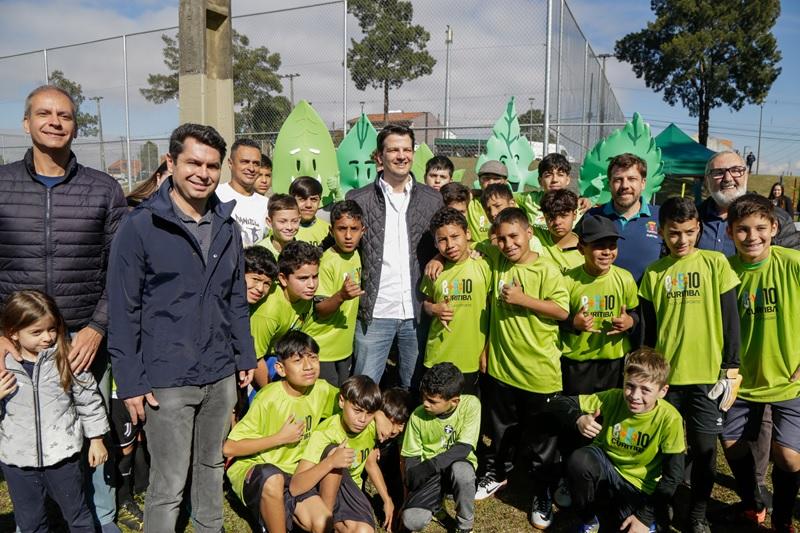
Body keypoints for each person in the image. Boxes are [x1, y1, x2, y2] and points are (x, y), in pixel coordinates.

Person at [107, 123, 257, 533]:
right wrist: (131, 382)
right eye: (193, 162)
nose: (202, 173)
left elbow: (235, 298)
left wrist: (244, 353)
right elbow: (123, 311)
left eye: (211, 165)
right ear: (171, 163)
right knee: (169, 483)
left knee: (210, 468)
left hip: (219, 372)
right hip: (167, 379)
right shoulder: (139, 228)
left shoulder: (227, 227)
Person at [0, 84, 127, 532]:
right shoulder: (2, 184)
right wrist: (2, 334)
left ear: (76, 125)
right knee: (20, 427)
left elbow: (120, 269)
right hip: (16, 340)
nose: (55, 122)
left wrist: (96, 328)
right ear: (27, 122)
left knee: (90, 424)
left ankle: (100, 518)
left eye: (65, 115)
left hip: (82, 337)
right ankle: (32, 517)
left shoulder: (103, 188)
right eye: (44, 114)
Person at [638, 197, 741, 533]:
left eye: (688, 232)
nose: (681, 240)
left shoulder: (716, 264)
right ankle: (660, 508)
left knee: (705, 451)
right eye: (673, 233)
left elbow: (731, 321)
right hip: (666, 381)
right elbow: (649, 331)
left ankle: (697, 515)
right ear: (662, 234)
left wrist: (731, 366)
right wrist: (647, 373)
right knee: (664, 450)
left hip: (706, 380)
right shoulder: (653, 274)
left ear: (698, 228)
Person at [476, 207, 569, 531]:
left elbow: (561, 311)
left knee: (543, 443)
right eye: (500, 239)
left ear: (529, 233)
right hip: (503, 370)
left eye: (513, 236)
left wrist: (522, 299)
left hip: (539, 373)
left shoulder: (547, 269)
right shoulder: (498, 260)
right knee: (502, 431)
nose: (507, 244)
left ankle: (541, 493)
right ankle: (499, 472)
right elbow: (474, 246)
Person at [721, 194, 800, 533]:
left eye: (760, 228)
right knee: (731, 445)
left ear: (774, 227)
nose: (752, 237)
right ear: (729, 232)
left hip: (788, 378)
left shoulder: (793, 263)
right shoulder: (724, 271)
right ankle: (754, 503)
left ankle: (783, 520)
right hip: (743, 381)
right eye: (742, 230)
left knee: (789, 457)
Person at [0, 290, 110, 533]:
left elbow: (88, 399)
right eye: (37, 332)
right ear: (13, 333)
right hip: (18, 461)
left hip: (63, 456)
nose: (47, 338)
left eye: (51, 329)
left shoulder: (67, 358)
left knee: (78, 515)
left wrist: (97, 439)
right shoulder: (3, 366)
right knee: (31, 522)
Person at [346, 124, 443, 390]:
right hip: (374, 312)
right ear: (379, 156)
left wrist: (439, 258)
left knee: (415, 387)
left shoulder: (432, 199)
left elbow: (447, 242)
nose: (401, 156)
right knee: (364, 389)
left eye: (406, 149)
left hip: (417, 311)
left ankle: (408, 432)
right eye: (393, 150)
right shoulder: (358, 199)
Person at [556, 348, 685, 533]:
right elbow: (560, 403)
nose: (634, 396)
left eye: (645, 389)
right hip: (605, 468)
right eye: (630, 385)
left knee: (633, 525)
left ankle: (648, 515)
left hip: (639, 487)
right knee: (580, 460)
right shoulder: (613, 397)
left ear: (663, 391)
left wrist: (644, 517)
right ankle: (589, 520)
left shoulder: (670, 419)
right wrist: (578, 418)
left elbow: (674, 475)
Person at [223, 331, 339, 533]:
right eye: (298, 360)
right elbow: (229, 448)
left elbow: (350, 403)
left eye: (313, 358)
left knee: (322, 522)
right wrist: (279, 438)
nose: (308, 366)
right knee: (272, 478)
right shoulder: (269, 398)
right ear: (281, 368)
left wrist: (378, 415)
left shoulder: (321, 389)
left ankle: (280, 512)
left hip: (294, 473)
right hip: (257, 468)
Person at [292, 375, 391, 533]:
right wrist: (331, 462)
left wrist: (387, 499)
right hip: (322, 489)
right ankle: (325, 521)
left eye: (370, 413)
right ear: (341, 401)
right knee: (335, 451)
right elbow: (295, 486)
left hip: (350, 491)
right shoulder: (325, 433)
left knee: (364, 531)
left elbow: (372, 461)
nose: (362, 420)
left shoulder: (372, 426)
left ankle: (332, 524)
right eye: (357, 411)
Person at [561, 214, 639, 396]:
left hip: (614, 361)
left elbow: (636, 314)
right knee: (578, 417)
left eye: (612, 246)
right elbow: (554, 318)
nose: (607, 252)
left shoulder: (625, 278)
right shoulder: (567, 281)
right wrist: (573, 323)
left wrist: (630, 322)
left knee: (609, 415)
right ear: (581, 248)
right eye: (598, 246)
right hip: (577, 363)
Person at [401, 363, 481, 533]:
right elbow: (411, 458)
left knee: (463, 473)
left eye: (432, 401)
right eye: (424, 397)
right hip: (429, 474)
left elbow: (463, 448)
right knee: (412, 521)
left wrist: (430, 466)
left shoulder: (471, 405)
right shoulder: (417, 416)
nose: (425, 404)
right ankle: (436, 505)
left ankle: (465, 526)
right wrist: (412, 479)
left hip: (453, 466)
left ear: (454, 401)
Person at [420, 208, 491, 394]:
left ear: (467, 234)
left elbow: (494, 311)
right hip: (437, 356)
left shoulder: (484, 265)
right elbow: (426, 303)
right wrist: (434, 308)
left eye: (455, 236)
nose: (450, 244)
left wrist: (488, 348)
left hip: (472, 359)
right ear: (435, 244)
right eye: (442, 240)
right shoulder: (433, 270)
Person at [303, 201, 365, 387]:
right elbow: (321, 308)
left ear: (363, 230)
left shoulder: (357, 254)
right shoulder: (326, 262)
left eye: (354, 229)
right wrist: (341, 296)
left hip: (344, 349)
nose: (348, 236)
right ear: (331, 231)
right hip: (322, 349)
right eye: (341, 229)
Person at [698, 150, 800, 255]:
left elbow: (793, 262)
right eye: (718, 172)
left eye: (736, 170)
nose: (727, 178)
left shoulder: (778, 217)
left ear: (746, 175)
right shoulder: (693, 218)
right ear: (707, 180)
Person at [250, 240, 321, 388]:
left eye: (315, 277)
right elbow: (255, 359)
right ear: (283, 279)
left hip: (281, 357)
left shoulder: (304, 296)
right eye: (303, 278)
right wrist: (271, 393)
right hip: (257, 364)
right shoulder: (268, 312)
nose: (311, 285)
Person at [583, 153, 662, 282]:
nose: (625, 186)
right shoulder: (591, 216)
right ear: (609, 184)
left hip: (649, 300)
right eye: (618, 180)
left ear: (643, 183)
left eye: (631, 179)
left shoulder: (661, 217)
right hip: (602, 300)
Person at [215, 138, 269, 247]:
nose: (251, 168)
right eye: (245, 162)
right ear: (230, 163)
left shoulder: (267, 204)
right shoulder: (216, 194)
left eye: (256, 163)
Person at [518, 153, 591, 229]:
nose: (555, 180)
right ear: (540, 181)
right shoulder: (529, 198)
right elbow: (507, 196)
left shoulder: (579, 205)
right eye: (548, 175)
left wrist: (587, 201)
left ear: (567, 180)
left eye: (560, 174)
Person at [535, 189, 584, 273]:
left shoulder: (586, 250)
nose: (557, 222)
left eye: (563, 215)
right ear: (544, 216)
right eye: (551, 217)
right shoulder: (535, 235)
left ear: (574, 215)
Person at [466, 160, 509, 243]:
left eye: (497, 179)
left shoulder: (512, 204)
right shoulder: (470, 202)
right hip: (476, 253)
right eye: (486, 178)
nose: (491, 183)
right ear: (479, 181)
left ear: (505, 182)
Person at [256, 194, 301, 258]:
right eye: (282, 222)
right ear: (269, 222)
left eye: (294, 221)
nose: (289, 227)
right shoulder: (259, 253)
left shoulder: (303, 251)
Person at [291, 176, 331, 247]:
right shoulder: (283, 229)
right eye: (302, 199)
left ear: (319, 201)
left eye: (314, 199)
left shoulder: (329, 230)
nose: (308, 205)